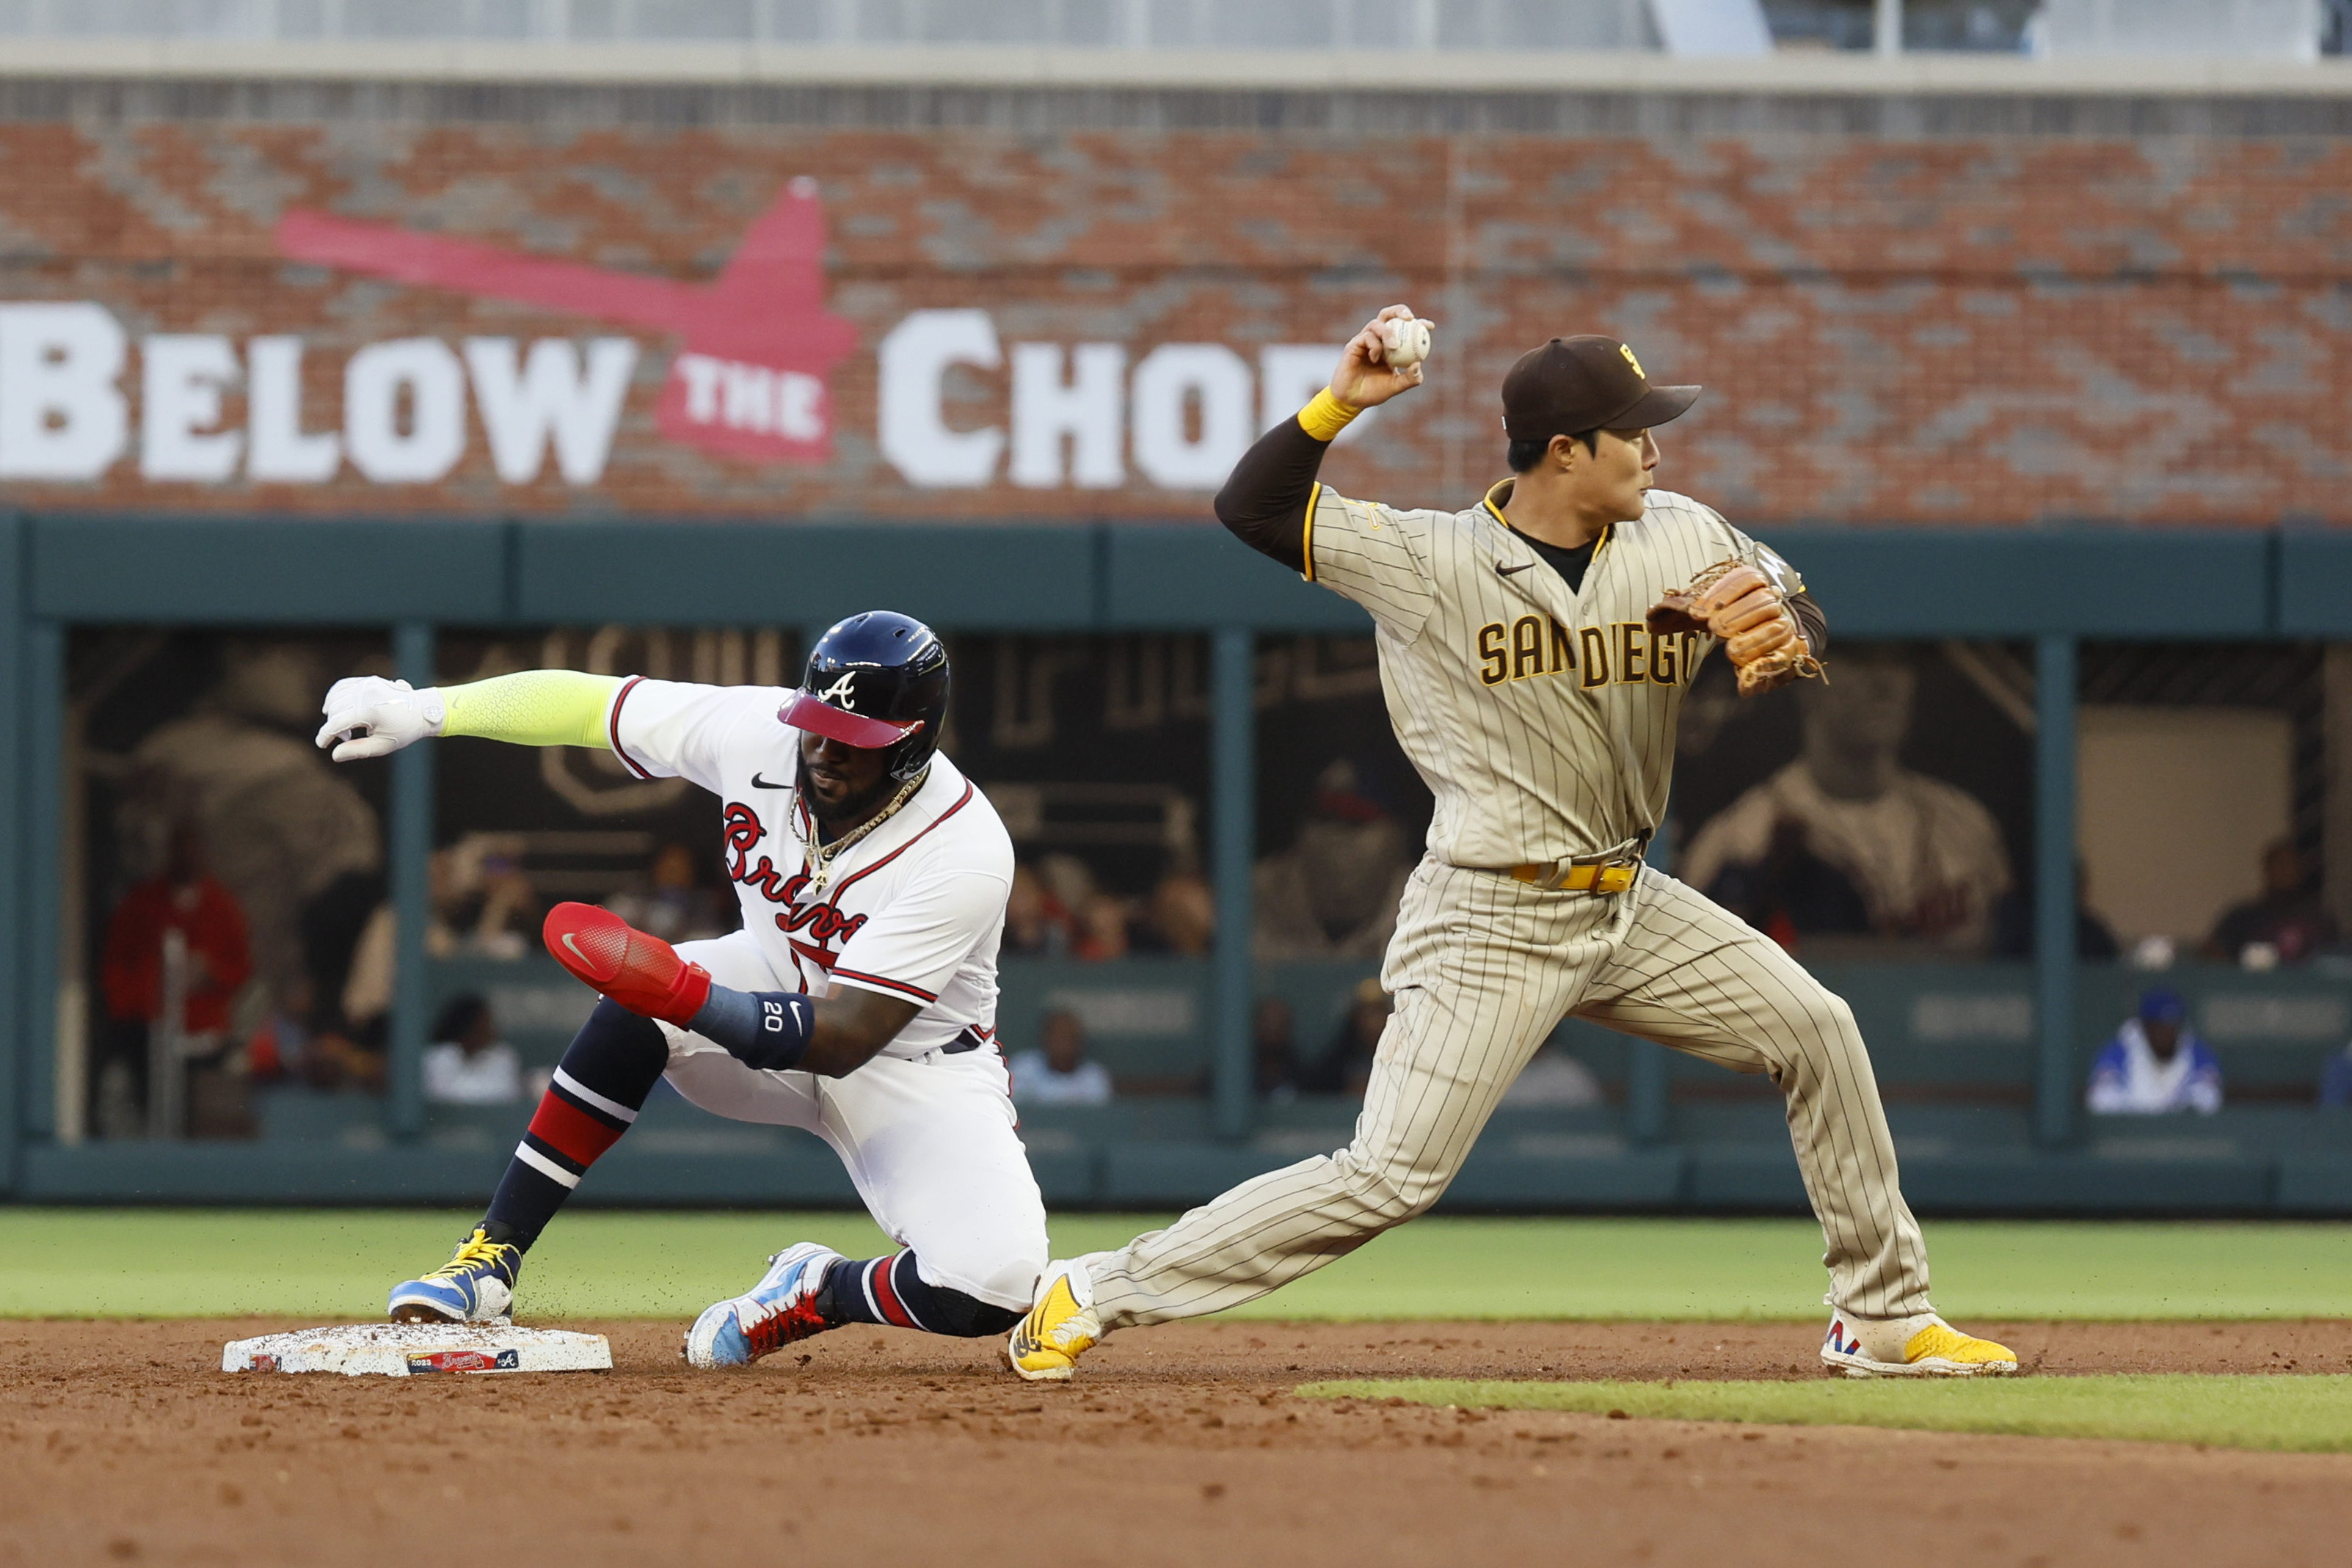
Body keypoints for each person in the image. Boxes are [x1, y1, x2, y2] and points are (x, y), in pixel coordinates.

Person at [1008, 310, 2014, 1382]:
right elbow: (1249, 506)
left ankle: (1885, 1317)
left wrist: (1779, 622)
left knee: (1818, 1028)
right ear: (1566, 450)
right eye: (1635, 431)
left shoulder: (1681, 529)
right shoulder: (1429, 558)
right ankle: (1094, 1287)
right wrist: (1339, 401)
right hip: (1488, 911)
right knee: (1390, 1175)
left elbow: (1799, 611)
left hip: (1628, 902)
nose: (1657, 449)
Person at [317, 611, 1048, 1363]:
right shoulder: (754, 731)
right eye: (816, 723)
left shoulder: (965, 848)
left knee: (993, 1285)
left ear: (914, 738)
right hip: (768, 981)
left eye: (853, 738)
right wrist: (432, 709)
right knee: (638, 1005)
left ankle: (815, 1287)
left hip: (912, 1064)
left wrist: (684, 994)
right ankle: (488, 1261)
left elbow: (848, 1035)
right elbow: (588, 706)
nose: (825, 750)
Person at [1681, 648, 2012, 955]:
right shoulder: (1739, 839)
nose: (1884, 683)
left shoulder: (1967, 823)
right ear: (1805, 682)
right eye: (1860, 660)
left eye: (1896, 661)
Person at [98, 822, 254, 1137]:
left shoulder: (221, 905)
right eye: (180, 848)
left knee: (201, 1115)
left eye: (193, 848)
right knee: (147, 1109)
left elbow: (240, 967)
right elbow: (117, 965)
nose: (187, 856)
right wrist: (133, 1008)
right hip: (147, 1028)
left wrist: (210, 973)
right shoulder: (142, 903)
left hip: (203, 1031)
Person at [1252, 759, 1413, 960]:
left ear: (1400, 837)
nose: (1338, 839)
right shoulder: (1253, 896)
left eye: (1356, 822)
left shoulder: (1430, 904)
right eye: (1325, 819)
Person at [2086, 987, 2221, 1116]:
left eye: (2172, 1026)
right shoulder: (2119, 1051)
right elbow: (2101, 1101)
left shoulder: (2197, 1052)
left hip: (2180, 1138)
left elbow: (2209, 1101)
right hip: (2129, 1138)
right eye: (2159, 1027)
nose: (2167, 1034)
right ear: (2145, 1027)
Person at [2203, 839, 2337, 966]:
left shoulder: (2319, 920)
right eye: (2279, 864)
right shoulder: (2241, 917)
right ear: (2266, 870)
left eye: (2291, 865)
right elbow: (2210, 954)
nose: (2284, 871)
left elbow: (2336, 961)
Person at [421, 994, 525, 1106]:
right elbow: (444, 1098)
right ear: (468, 1025)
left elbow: (506, 1095)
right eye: (484, 1023)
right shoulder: (440, 1057)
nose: (490, 1028)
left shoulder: (503, 1056)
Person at [1009, 1009, 1113, 1106]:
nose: (1063, 1044)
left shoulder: (1095, 1078)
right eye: (1058, 1037)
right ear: (1045, 1038)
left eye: (1069, 1037)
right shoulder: (1022, 1069)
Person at [1308, 977, 1392, 1098]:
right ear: (1355, 1017)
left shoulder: (1401, 1055)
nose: (1372, 1021)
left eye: (1378, 1011)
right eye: (1366, 1013)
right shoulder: (1337, 1062)